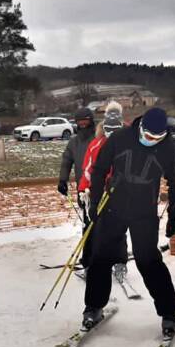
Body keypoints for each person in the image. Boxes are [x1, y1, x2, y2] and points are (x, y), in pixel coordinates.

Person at [83, 107, 175, 338]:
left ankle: (169, 313)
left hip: (144, 212)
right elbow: (99, 171)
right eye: (148, 136)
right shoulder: (120, 138)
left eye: (156, 138)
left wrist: (174, 216)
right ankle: (93, 307)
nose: (151, 140)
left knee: (148, 260)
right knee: (100, 257)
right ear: (141, 128)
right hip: (113, 206)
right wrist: (94, 202)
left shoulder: (168, 148)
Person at [79, 101, 130, 279]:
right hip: (99, 193)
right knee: (93, 228)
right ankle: (90, 264)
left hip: (121, 193)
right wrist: (84, 190)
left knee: (119, 229)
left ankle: (119, 263)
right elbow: (88, 169)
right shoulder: (96, 144)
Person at [58, 107, 97, 266]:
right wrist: (62, 180)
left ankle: (111, 257)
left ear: (91, 120)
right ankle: (88, 258)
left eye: (85, 120)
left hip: (102, 188)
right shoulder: (74, 142)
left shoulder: (98, 138)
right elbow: (66, 161)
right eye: (79, 121)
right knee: (87, 224)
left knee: (106, 225)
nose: (82, 123)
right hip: (83, 190)